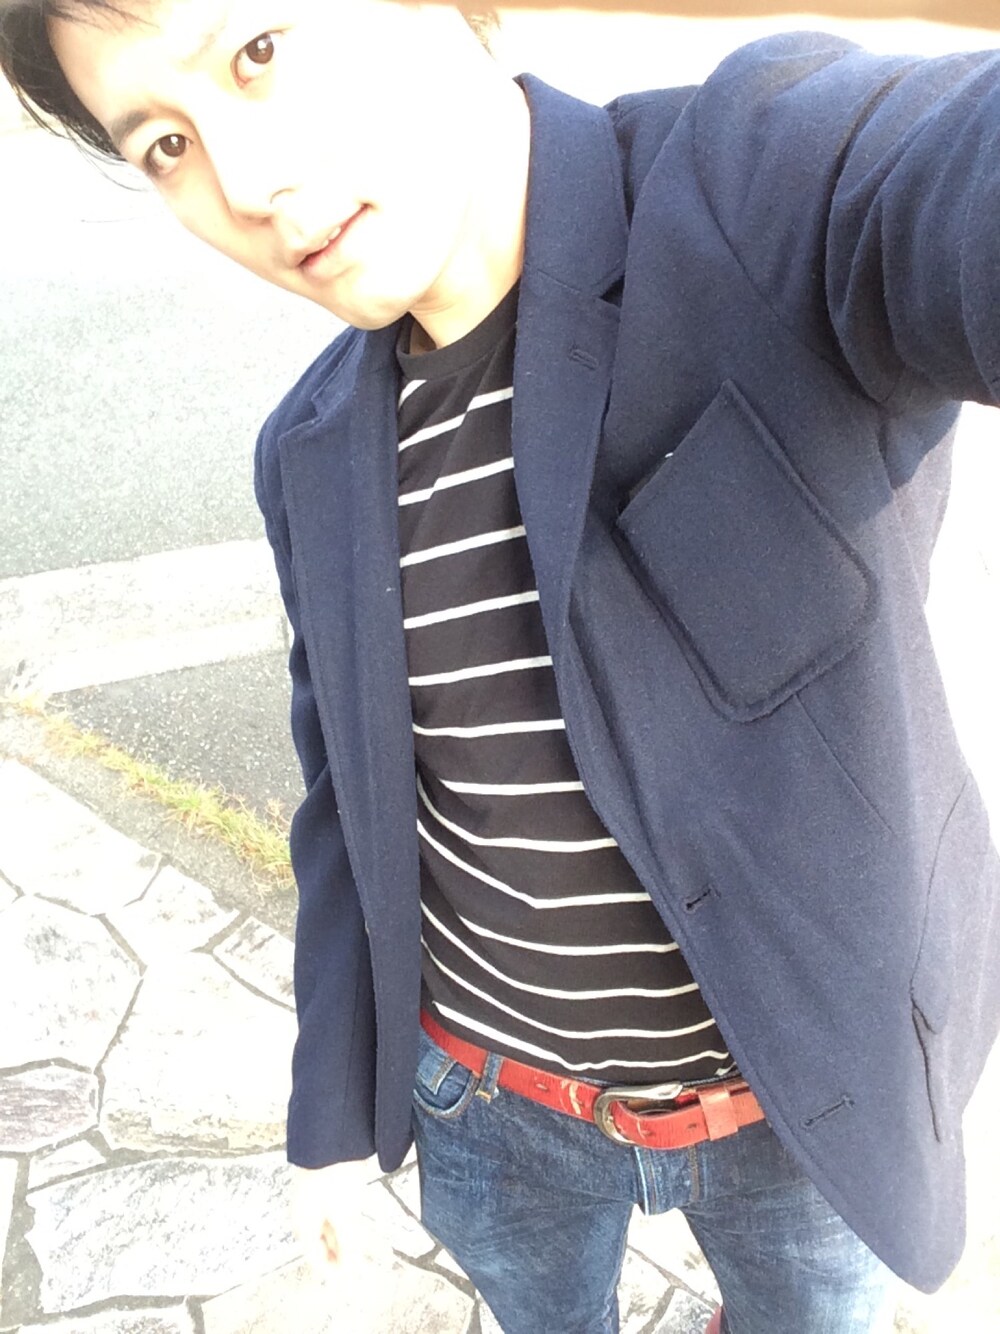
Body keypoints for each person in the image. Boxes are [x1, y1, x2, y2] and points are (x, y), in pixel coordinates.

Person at [3, 2, 999, 1329]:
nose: (243, 185)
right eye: (166, 144)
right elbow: (345, 803)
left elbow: (943, 181)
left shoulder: (755, 190)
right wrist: (329, 1120)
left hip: (801, 1107)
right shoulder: (308, 449)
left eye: (257, 51)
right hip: (491, 1105)